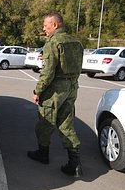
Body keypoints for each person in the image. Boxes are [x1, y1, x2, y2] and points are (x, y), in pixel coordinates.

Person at [27, 12, 84, 177]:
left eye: (46, 25)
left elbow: (47, 72)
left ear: (56, 25)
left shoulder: (52, 43)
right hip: (72, 87)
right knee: (66, 123)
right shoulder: (76, 42)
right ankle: (75, 163)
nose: (44, 29)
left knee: (45, 122)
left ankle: (42, 154)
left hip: (55, 90)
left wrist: (37, 91)